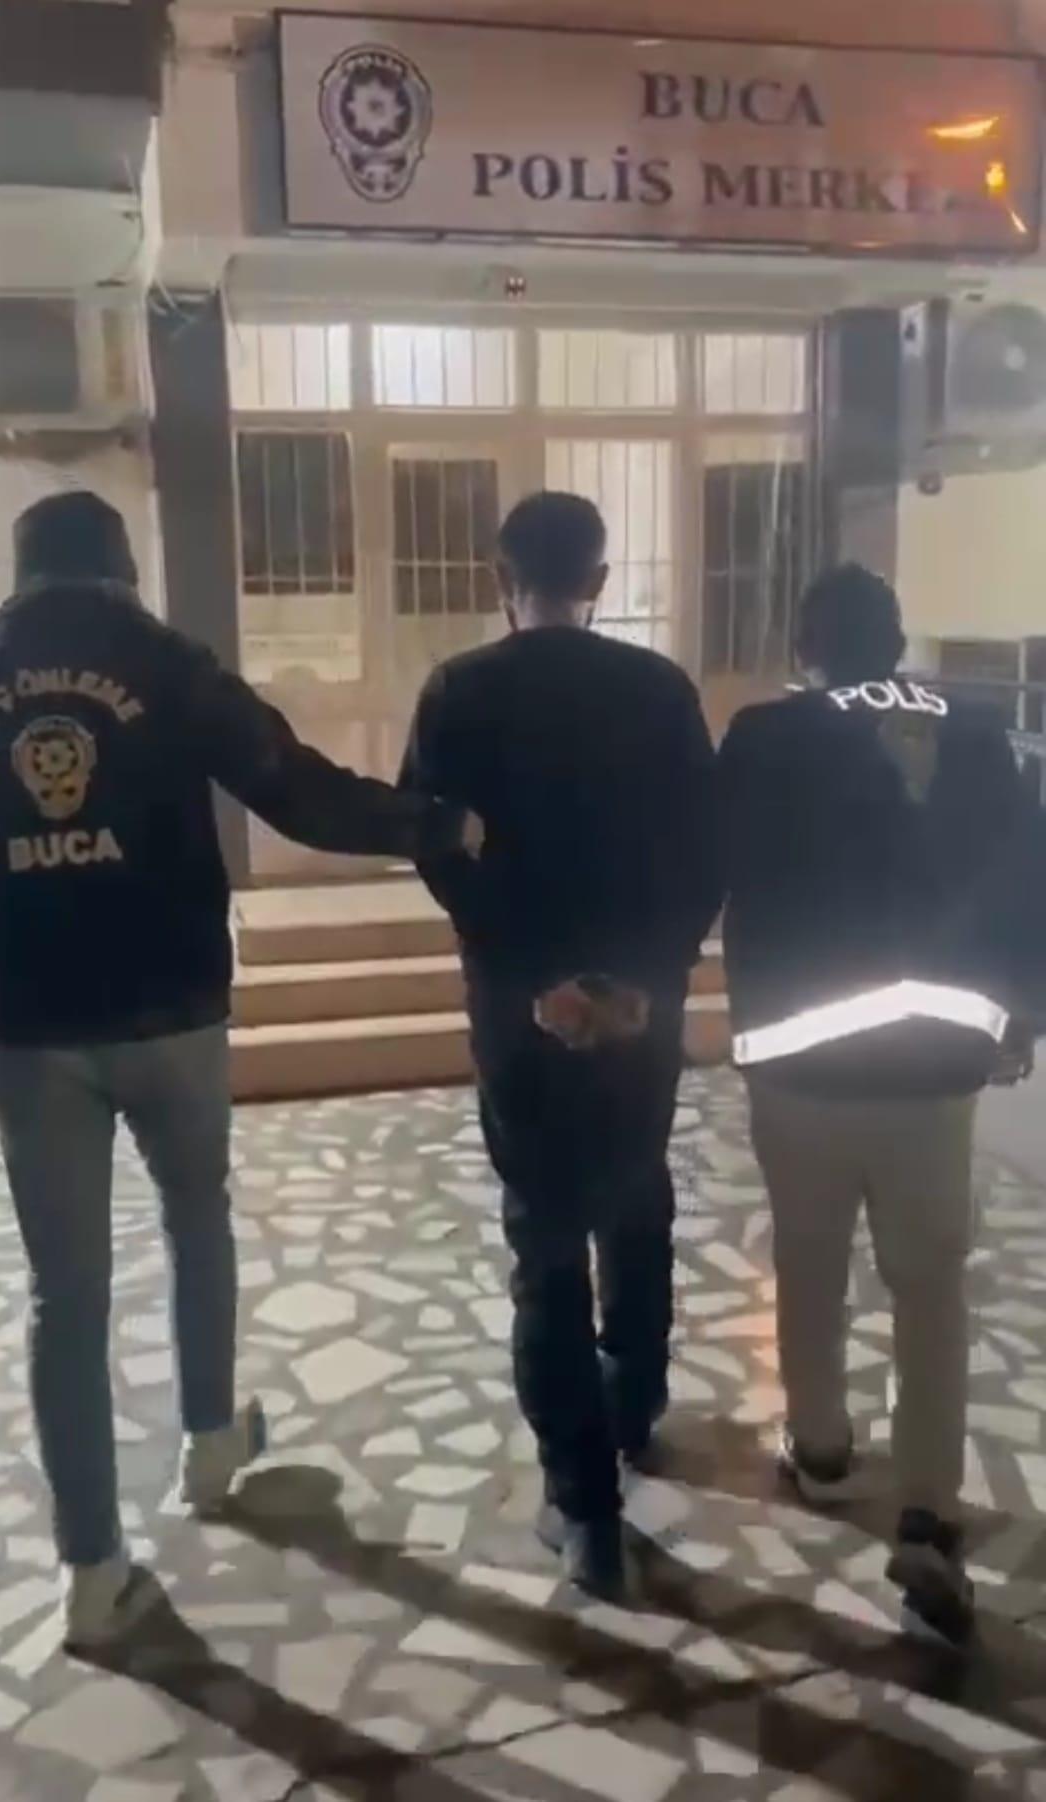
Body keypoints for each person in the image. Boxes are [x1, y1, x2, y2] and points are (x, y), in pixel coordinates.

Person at [0, 491, 480, 1651]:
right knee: (196, 1213)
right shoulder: (167, 663)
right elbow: (296, 788)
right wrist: (436, 823)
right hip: (169, 1005)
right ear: (122, 571)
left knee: (64, 1293)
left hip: (24, 1023)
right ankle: (208, 1444)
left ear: (19, 571)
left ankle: (90, 1565)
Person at [401, 491, 719, 1598]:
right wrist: (642, 975)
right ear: (598, 579)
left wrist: (534, 973)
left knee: (542, 1231)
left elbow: (434, 842)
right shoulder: (660, 690)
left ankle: (582, 1508)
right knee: (635, 1189)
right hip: (641, 1004)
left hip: (518, 1008)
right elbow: (704, 849)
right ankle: (634, 1403)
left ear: (502, 578)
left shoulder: (460, 690)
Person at [718, 562, 1041, 1646]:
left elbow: (720, 864)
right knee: (930, 1284)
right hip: (935, 1064)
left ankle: (820, 1447)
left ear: (804, 649)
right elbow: (1027, 873)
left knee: (809, 1259)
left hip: (799, 1063)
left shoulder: (766, 734)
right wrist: (1022, 1016)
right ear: (896, 644)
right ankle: (930, 1513)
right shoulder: (978, 728)